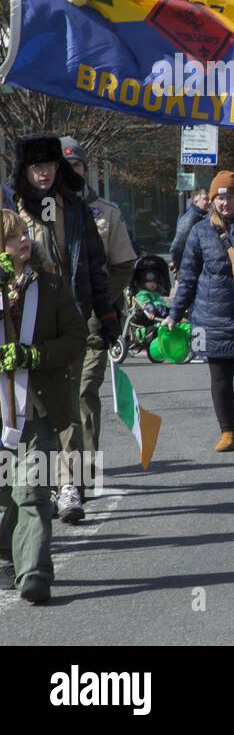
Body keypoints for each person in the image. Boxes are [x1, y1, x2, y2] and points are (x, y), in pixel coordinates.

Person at [9, 135, 115, 525]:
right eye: (36, 167)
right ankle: (32, 489)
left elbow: (96, 265)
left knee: (72, 399)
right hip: (19, 320)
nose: (43, 174)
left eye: (50, 166)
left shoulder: (77, 209)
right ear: (24, 171)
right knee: (25, 409)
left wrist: (105, 316)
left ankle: (72, 485)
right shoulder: (13, 213)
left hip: (68, 317)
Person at [0, 210, 88, 604]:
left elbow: (74, 339)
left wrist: (34, 356)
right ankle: (8, 557)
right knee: (6, 495)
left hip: (37, 409)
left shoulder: (50, 286)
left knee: (33, 492)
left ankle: (34, 572)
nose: (23, 239)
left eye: (23, 232)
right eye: (12, 236)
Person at [60, 138, 136, 507]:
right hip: (52, 321)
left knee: (85, 391)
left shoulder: (106, 213)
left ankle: (81, 471)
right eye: (64, 166)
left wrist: (101, 297)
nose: (70, 172)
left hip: (92, 319)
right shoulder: (42, 212)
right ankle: (64, 476)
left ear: (85, 169)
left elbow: (123, 264)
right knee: (59, 395)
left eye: (75, 166)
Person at [166, 172, 234, 452]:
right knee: (220, 379)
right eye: (219, 198)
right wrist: (175, 313)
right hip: (211, 316)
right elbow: (187, 277)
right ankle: (227, 431)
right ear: (211, 201)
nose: (225, 203)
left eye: (230, 197)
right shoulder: (199, 232)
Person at [170, 188, 210, 272]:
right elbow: (176, 247)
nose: (209, 202)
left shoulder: (203, 216)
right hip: (191, 269)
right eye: (205, 199)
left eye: (210, 199)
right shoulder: (190, 219)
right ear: (196, 201)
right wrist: (178, 265)